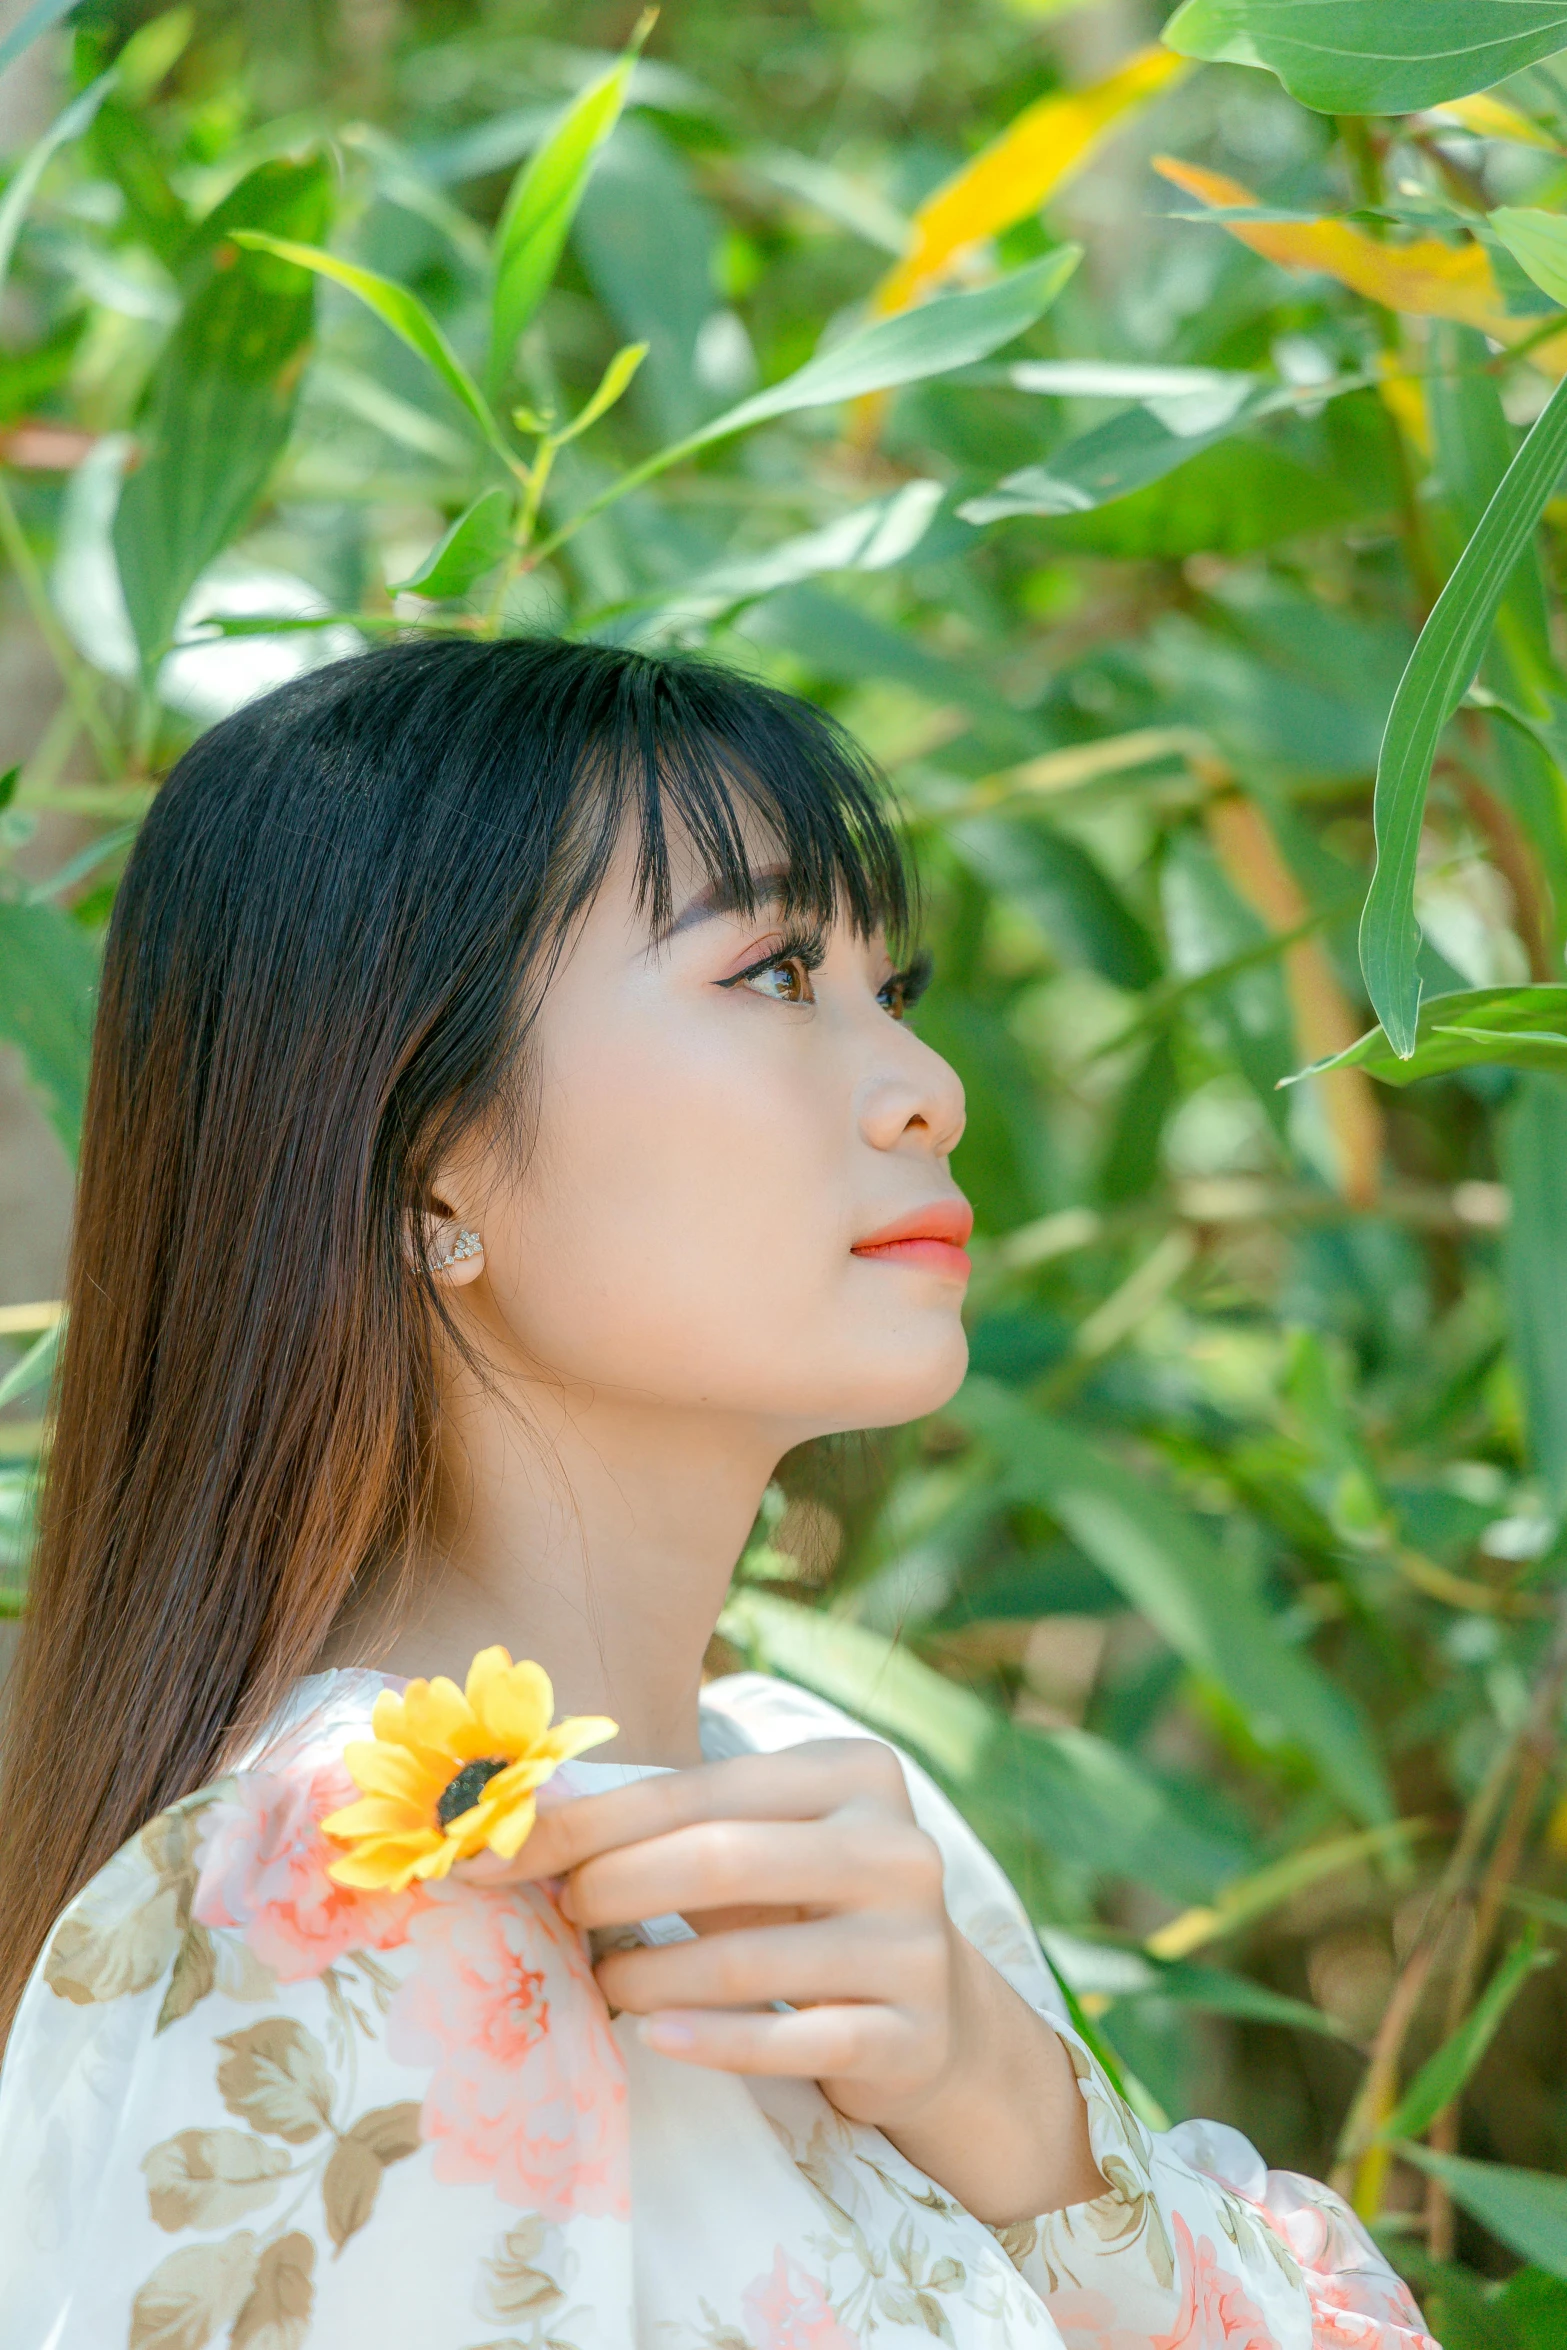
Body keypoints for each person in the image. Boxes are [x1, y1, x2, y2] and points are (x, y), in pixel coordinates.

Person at [0, 639, 1435, 2348]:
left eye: (886, 993)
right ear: (425, 1146)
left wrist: (1017, 2113)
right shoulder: (353, 1887)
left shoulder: (835, 1826)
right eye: (769, 972)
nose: (928, 1087)